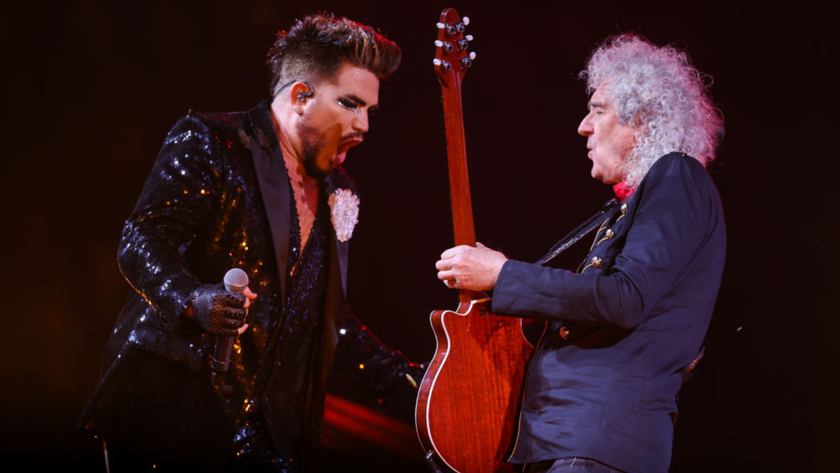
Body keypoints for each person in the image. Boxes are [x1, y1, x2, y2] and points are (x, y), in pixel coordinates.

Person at [80, 13, 423, 473]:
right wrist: (194, 299)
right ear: (301, 96)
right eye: (350, 103)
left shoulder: (342, 190)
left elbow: (326, 322)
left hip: (274, 441)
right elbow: (142, 239)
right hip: (172, 422)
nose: (364, 125)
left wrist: (419, 381)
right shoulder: (211, 141)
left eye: (368, 110)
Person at [435, 34, 725, 473]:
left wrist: (504, 274)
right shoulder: (630, 203)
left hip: (596, 442)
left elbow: (623, 299)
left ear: (641, 117)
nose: (583, 126)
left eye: (598, 110)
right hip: (567, 442)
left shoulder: (677, 174)